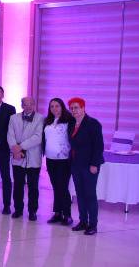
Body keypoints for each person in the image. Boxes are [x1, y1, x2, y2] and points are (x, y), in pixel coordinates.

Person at [67, 97, 104, 236]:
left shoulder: (93, 123)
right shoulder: (72, 123)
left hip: (90, 166)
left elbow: (98, 146)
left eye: (76, 107)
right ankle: (83, 221)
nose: (74, 110)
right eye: (71, 108)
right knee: (80, 194)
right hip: (76, 164)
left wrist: (94, 164)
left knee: (90, 194)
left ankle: (93, 225)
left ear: (83, 108)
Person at [7, 97, 44, 220]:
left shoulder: (40, 118)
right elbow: (10, 135)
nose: (28, 107)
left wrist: (21, 147)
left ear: (34, 105)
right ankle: (18, 209)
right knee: (18, 185)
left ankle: (32, 211)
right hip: (17, 156)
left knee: (33, 187)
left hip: (33, 157)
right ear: (22, 105)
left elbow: (38, 137)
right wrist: (15, 149)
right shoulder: (13, 118)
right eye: (25, 104)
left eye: (31, 104)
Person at [43, 98, 73, 226]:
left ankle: (67, 215)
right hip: (50, 159)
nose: (54, 108)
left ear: (62, 107)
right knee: (56, 186)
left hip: (64, 160)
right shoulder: (47, 121)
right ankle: (57, 213)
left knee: (63, 187)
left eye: (57, 106)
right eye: (52, 106)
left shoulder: (69, 120)